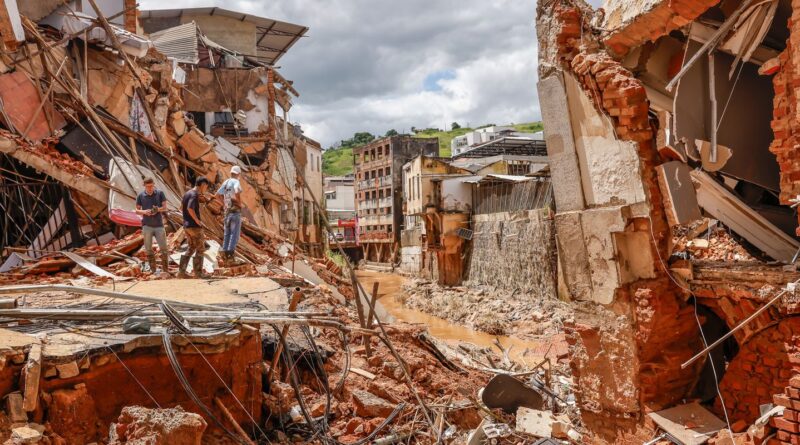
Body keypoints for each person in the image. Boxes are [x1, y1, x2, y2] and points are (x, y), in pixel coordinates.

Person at [135, 177, 169, 274]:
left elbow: (165, 208)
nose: (150, 188)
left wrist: (157, 209)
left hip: (159, 225)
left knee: (163, 248)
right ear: (144, 186)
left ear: (154, 185)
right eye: (148, 186)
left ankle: (165, 270)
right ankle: (153, 271)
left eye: (151, 186)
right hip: (147, 226)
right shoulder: (140, 196)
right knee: (148, 249)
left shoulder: (160, 193)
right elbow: (137, 210)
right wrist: (145, 212)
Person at [179, 176, 210, 278]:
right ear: (203, 185)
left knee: (191, 248)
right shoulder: (194, 194)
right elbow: (190, 208)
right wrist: (198, 221)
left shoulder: (187, 193)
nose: (206, 189)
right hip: (194, 226)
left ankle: (181, 272)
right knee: (200, 249)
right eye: (206, 186)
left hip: (187, 226)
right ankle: (198, 273)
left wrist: (186, 219)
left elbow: (181, 208)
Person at [216, 166, 244, 266]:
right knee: (234, 235)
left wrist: (224, 204)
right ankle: (230, 258)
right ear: (238, 174)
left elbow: (217, 195)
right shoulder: (236, 182)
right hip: (235, 212)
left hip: (227, 212)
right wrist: (239, 203)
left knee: (227, 234)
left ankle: (224, 256)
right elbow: (236, 190)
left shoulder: (226, 182)